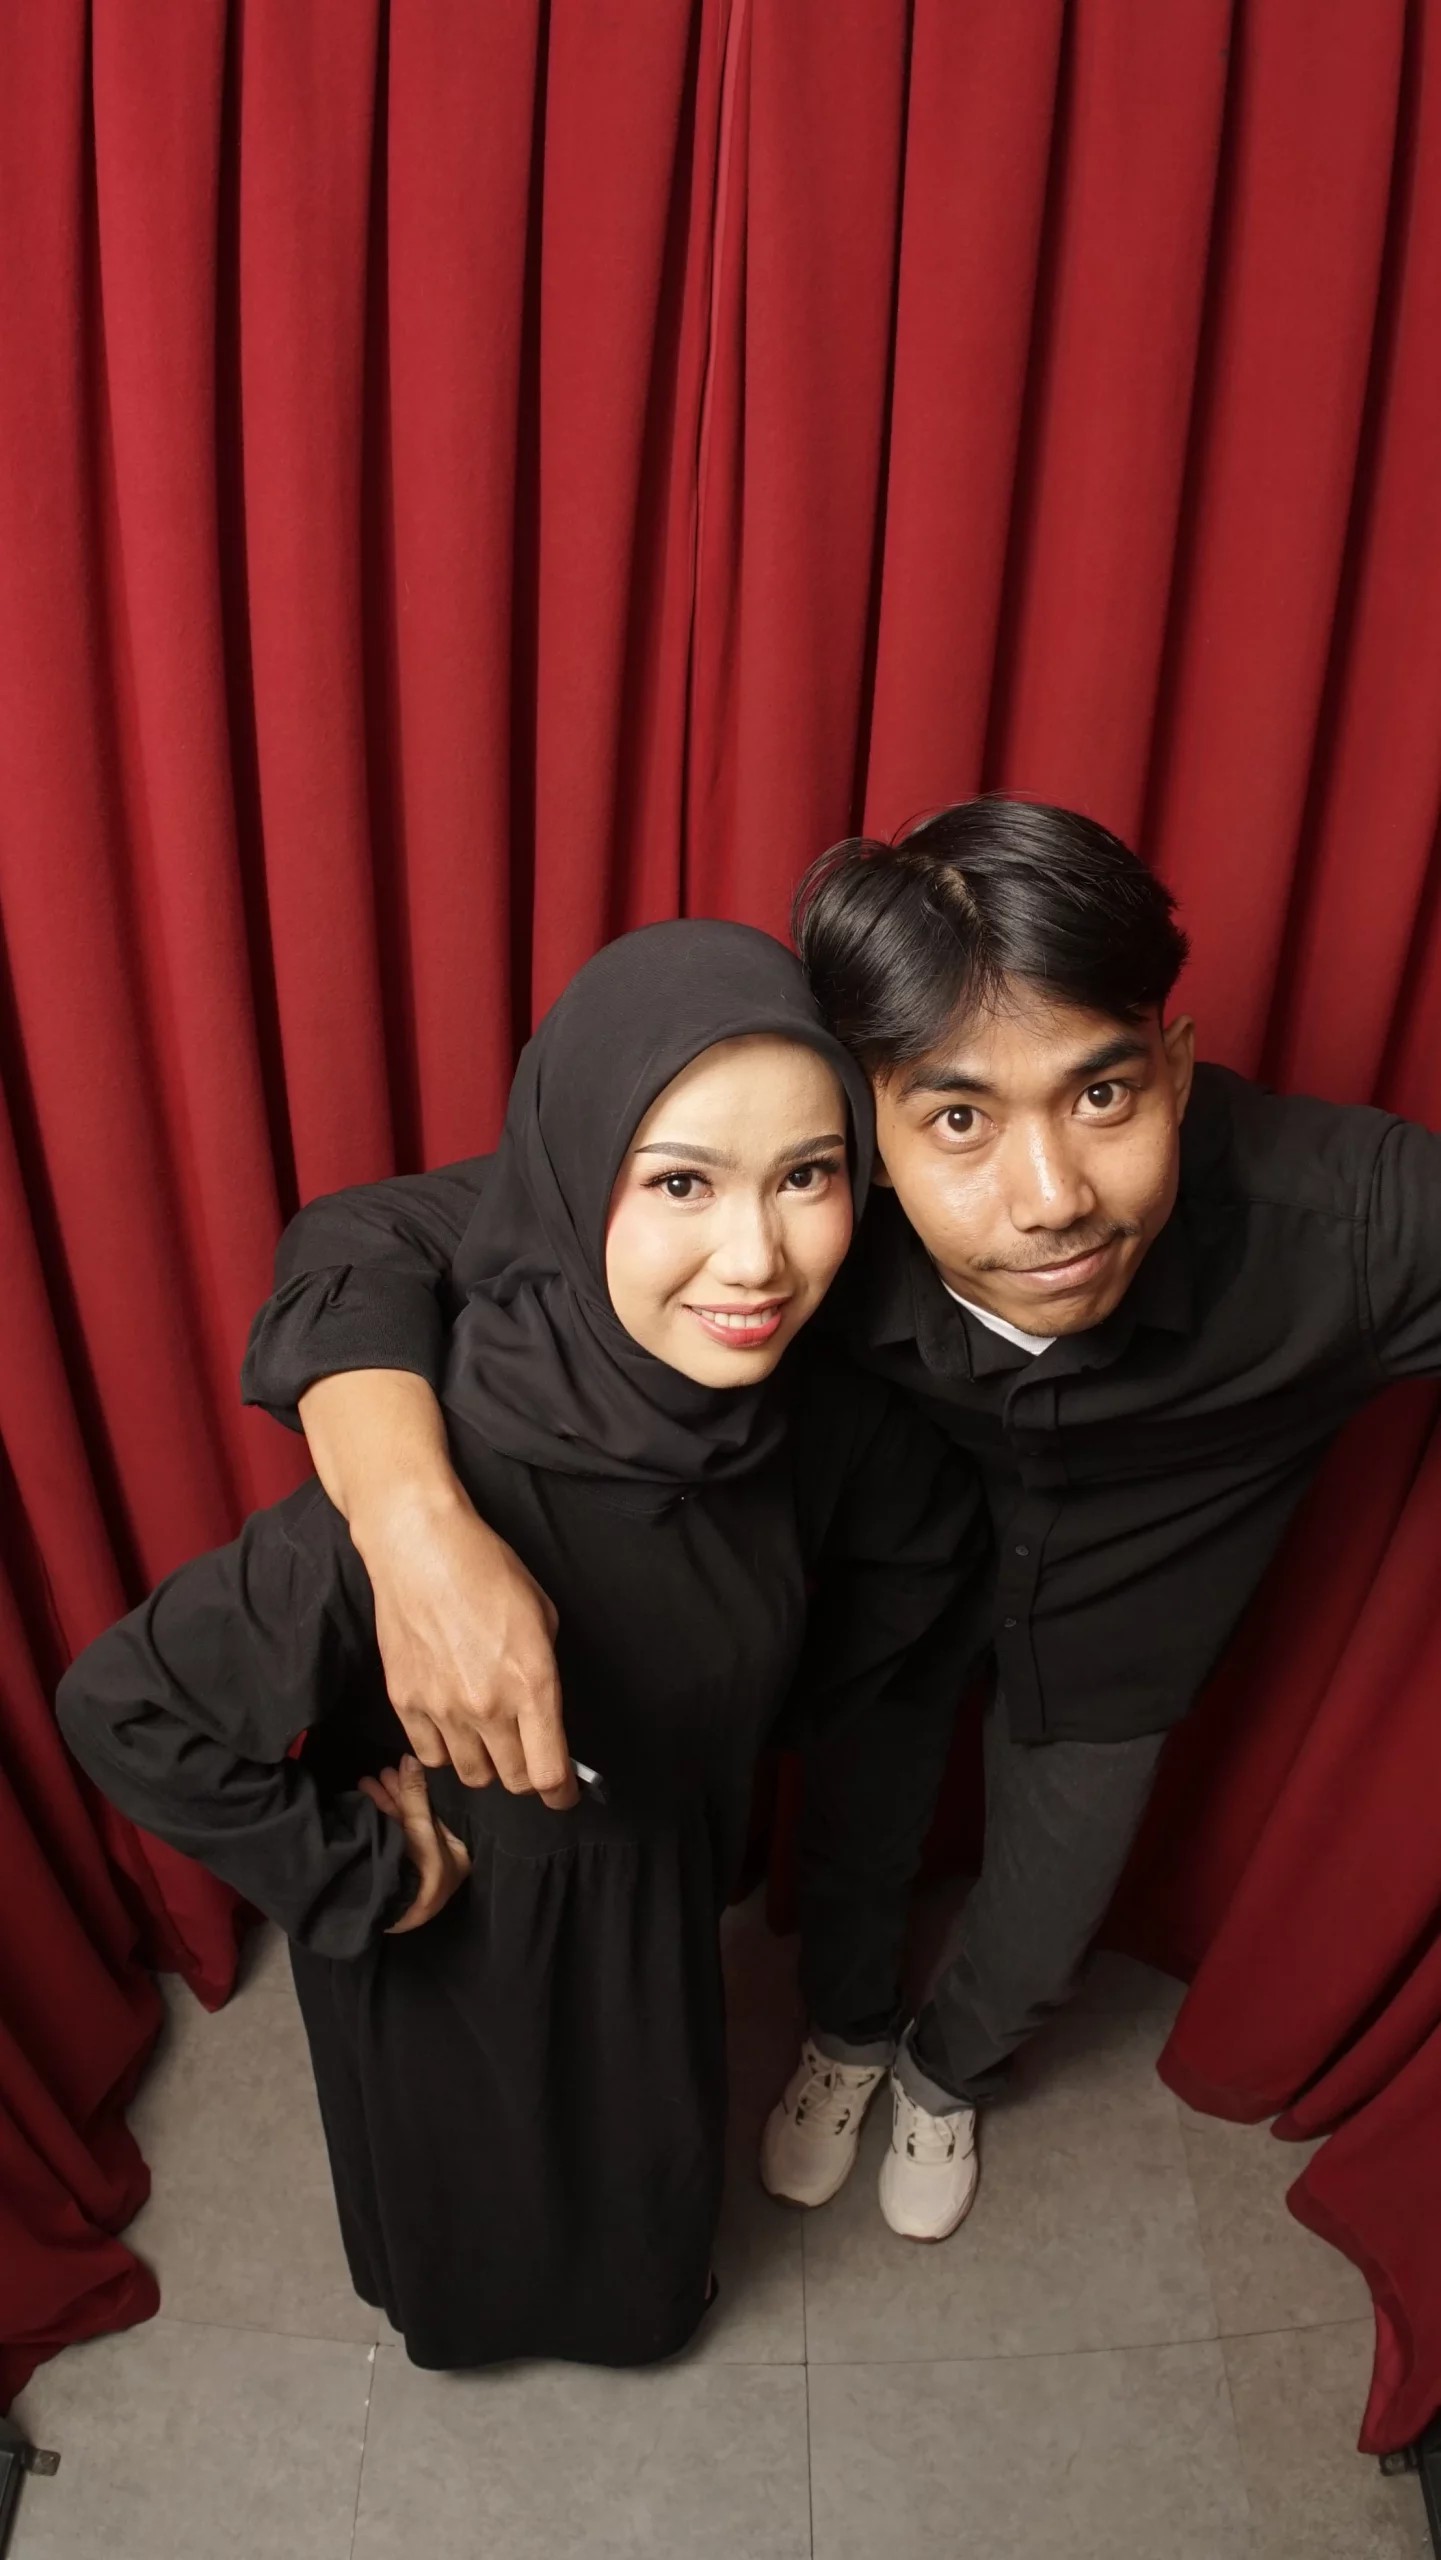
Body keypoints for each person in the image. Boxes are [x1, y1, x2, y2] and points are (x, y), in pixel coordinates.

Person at [237, 796, 1441, 2252]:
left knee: (1051, 1895)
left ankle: (948, 2074)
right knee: (858, 1833)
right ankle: (850, 2035)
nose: (1052, 1200)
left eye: (1103, 1097)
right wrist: (414, 1529)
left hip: (1127, 1634)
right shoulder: (799, 1200)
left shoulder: (1351, 1225)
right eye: (959, 1119)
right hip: (888, 1584)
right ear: (866, 1130)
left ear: (1175, 1071)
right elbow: (364, 1238)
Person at [57, 921, 973, 2367]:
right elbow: (124, 1706)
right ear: (567, 1174)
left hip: (653, 1904)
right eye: (680, 1182)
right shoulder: (437, 1475)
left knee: (637, 2174)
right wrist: (362, 1876)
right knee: (467, 2184)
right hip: (456, 1927)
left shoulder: (806, 1412)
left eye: (806, 1176)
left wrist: (761, 1731)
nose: (756, 1257)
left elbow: (921, 1551)